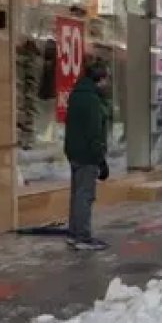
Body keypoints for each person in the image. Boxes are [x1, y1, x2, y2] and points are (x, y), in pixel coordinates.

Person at [63, 62, 111, 251]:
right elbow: (94, 132)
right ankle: (82, 236)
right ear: (99, 79)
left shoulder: (76, 94)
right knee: (85, 195)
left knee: (77, 194)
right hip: (87, 153)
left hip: (74, 151)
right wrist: (100, 159)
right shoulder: (92, 100)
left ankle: (74, 233)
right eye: (105, 79)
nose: (107, 84)